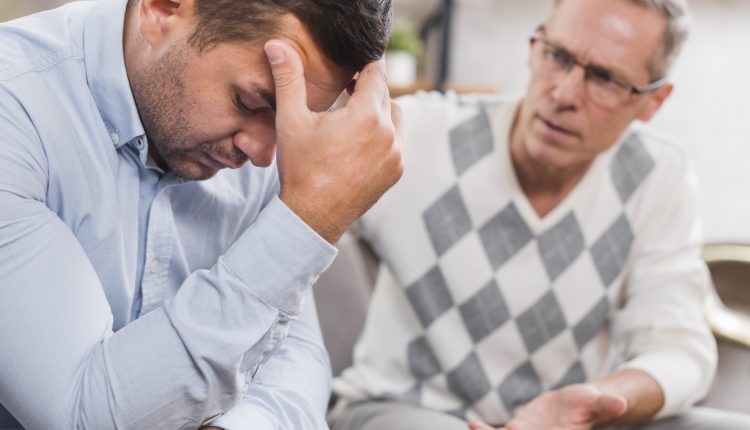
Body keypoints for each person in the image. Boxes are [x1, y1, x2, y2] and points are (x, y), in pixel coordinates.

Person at [330, 0, 750, 429]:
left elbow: (680, 349)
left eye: (605, 78)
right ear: (535, 46)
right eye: (557, 55)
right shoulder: (419, 135)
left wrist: (596, 401)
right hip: (404, 409)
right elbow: (293, 211)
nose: (565, 94)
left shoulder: (658, 177)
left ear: (653, 101)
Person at [0, 0, 402, 428]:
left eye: (290, 120)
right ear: (162, 9)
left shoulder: (249, 143)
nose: (265, 157)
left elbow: (294, 359)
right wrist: (308, 219)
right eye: (248, 102)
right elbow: (80, 414)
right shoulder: (16, 110)